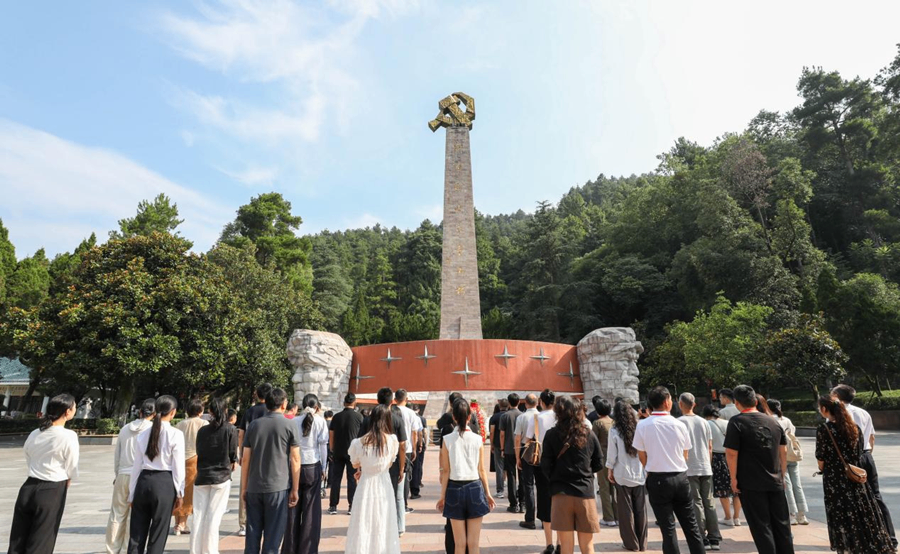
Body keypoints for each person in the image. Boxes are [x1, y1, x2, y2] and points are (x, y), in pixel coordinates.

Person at [816, 395, 894, 554]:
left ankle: (849, 547)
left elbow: (821, 457)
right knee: (861, 510)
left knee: (841, 513)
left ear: (824, 409)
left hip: (835, 478)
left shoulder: (824, 429)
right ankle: (869, 544)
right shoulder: (855, 428)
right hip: (855, 476)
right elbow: (859, 452)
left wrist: (824, 467)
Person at [632, 386, 705, 554]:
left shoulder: (643, 425)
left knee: (668, 528)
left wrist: (653, 465)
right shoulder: (679, 424)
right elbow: (685, 453)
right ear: (666, 402)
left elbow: (641, 455)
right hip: (680, 477)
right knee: (691, 526)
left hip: (657, 479)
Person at [724, 385, 794, 554]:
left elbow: (732, 454)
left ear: (736, 403)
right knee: (782, 524)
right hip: (775, 480)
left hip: (750, 483)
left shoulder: (737, 422)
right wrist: (782, 475)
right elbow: (783, 451)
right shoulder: (773, 421)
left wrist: (733, 479)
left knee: (761, 526)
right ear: (755, 401)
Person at [8, 393, 79, 554]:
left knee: (18, 540)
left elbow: (28, 454)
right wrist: (69, 478)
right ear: (67, 411)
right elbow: (72, 464)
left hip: (28, 487)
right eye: (74, 407)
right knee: (41, 541)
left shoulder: (35, 432)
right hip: (52, 489)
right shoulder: (68, 436)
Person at [832, 384, 898, 549]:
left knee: (851, 499)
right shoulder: (863, 412)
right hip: (866, 456)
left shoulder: (836, 414)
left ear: (837, 397)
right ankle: (890, 538)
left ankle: (858, 539)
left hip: (848, 460)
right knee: (875, 496)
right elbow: (872, 437)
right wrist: (866, 457)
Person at [241, 387, 301, 554]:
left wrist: (244, 488)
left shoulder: (254, 425)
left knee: (252, 537)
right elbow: (295, 459)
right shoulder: (289, 425)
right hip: (278, 487)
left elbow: (246, 458)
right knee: (273, 540)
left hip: (254, 486)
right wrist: (295, 489)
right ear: (283, 405)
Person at [541, 395, 602, 554]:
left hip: (561, 493)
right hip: (585, 493)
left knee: (566, 547)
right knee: (588, 546)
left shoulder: (551, 435)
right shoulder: (588, 434)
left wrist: (556, 477)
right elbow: (598, 463)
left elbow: (545, 465)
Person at [128, 395, 185, 554]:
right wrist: (180, 492)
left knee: (136, 534)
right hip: (164, 483)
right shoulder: (175, 434)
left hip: (143, 481)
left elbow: (136, 466)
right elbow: (178, 466)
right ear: (173, 412)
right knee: (158, 534)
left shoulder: (143, 434)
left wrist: (132, 493)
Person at [437, 398, 495, 554]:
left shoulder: (447, 439)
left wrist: (442, 496)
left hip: (454, 488)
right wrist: (488, 494)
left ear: (454, 417)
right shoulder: (478, 439)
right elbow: (481, 470)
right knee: (474, 544)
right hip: (475, 488)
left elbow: (446, 471)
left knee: (460, 544)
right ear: (469, 417)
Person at [344, 404, 401, 554]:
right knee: (383, 520)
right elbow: (389, 463)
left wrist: (364, 469)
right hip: (384, 483)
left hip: (366, 484)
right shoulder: (392, 441)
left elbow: (355, 463)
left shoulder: (358, 442)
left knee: (364, 522)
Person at [106, 398, 155, 554]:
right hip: (141, 476)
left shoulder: (125, 428)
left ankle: (112, 548)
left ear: (140, 411)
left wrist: (117, 474)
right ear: (154, 414)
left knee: (117, 513)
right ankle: (129, 547)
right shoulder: (153, 429)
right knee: (136, 515)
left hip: (122, 474)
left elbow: (117, 455)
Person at [283, 393, 329, 554]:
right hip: (312, 466)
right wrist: (324, 468)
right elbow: (323, 446)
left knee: (292, 508)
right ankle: (308, 550)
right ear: (317, 407)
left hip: (294, 466)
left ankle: (289, 548)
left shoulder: (294, 421)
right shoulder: (320, 421)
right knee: (311, 511)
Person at [191, 397, 238, 554]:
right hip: (222, 476)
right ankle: (210, 550)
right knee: (213, 517)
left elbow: (199, 451)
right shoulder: (230, 429)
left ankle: (195, 550)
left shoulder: (202, 431)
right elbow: (233, 454)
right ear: (225, 410)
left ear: (210, 411)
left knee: (198, 516)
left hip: (203, 475)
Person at [359, 387, 407, 535]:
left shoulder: (368, 420)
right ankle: (387, 528)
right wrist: (401, 468)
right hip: (390, 465)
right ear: (392, 401)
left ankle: (372, 528)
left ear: (377, 400)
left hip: (369, 465)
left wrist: (360, 467)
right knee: (389, 497)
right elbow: (403, 446)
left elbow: (360, 443)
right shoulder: (397, 419)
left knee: (370, 500)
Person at [677, 393, 721, 551]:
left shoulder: (679, 423)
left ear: (680, 404)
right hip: (705, 466)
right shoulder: (704, 422)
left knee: (696, 502)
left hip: (689, 468)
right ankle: (714, 537)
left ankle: (701, 537)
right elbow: (710, 447)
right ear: (694, 404)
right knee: (709, 502)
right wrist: (707, 464)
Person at [607, 401, 648, 552]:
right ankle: (642, 543)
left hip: (621, 473)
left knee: (625, 511)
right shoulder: (641, 427)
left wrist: (609, 469)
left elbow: (612, 454)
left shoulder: (614, 430)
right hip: (640, 473)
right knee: (640, 510)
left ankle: (631, 543)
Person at [523, 389, 560, 554]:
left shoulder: (537, 418)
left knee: (545, 501)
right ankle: (561, 543)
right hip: (560, 463)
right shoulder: (560, 417)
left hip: (542, 462)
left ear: (541, 402)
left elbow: (527, 439)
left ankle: (549, 544)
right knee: (560, 501)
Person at [237, 383, 274, 537]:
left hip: (250, 452)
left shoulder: (250, 411)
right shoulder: (272, 412)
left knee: (245, 486)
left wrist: (240, 453)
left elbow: (241, 433)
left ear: (257, 395)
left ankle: (243, 524)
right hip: (269, 454)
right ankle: (266, 521)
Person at [768, 399, 809, 526]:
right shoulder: (787, 420)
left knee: (787, 485)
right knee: (797, 484)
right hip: (792, 455)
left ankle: (792, 515)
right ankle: (802, 514)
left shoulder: (770, 420)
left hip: (780, 456)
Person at [702, 405, 741, 527]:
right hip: (733, 456)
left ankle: (728, 517)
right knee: (736, 489)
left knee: (722, 489)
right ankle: (737, 517)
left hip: (717, 458)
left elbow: (707, 444)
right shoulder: (728, 423)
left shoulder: (707, 424)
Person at [175, 399, 209, 535]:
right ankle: (182, 524)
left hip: (178, 460)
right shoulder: (204, 423)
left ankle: (178, 523)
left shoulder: (179, 424)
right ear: (200, 411)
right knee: (188, 493)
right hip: (194, 459)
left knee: (178, 490)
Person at [328, 393, 363, 515]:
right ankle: (351, 505)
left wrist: (331, 449)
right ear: (354, 402)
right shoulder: (359, 417)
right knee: (352, 479)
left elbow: (331, 434)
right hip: (353, 453)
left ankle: (333, 506)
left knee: (335, 479)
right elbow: (361, 437)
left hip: (338, 451)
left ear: (344, 403)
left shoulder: (337, 417)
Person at [396, 389, 423, 521]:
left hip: (392, 448)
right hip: (406, 448)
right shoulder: (411, 413)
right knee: (405, 476)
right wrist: (414, 447)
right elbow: (414, 432)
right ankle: (404, 504)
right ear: (406, 399)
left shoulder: (390, 411)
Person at [514, 393, 539, 529]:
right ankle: (545, 518)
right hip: (541, 449)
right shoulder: (543, 416)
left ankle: (530, 518)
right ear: (537, 403)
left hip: (526, 449)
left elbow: (518, 438)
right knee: (542, 485)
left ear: (526, 403)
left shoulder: (521, 417)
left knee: (528, 485)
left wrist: (518, 456)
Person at [591, 397, 617, 527]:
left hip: (603, 458)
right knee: (615, 488)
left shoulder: (597, 423)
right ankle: (617, 515)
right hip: (615, 459)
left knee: (604, 488)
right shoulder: (614, 422)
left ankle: (608, 517)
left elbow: (593, 441)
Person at [499, 393, 522, 515]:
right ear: (518, 402)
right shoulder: (522, 416)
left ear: (509, 402)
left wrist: (502, 449)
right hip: (521, 449)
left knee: (511, 476)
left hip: (508, 449)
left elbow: (502, 434)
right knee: (522, 475)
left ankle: (513, 503)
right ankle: (522, 502)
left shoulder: (505, 416)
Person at [488, 399, 508, 500]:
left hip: (497, 445)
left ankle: (500, 491)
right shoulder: (510, 415)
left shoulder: (494, 417)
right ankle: (512, 489)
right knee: (510, 468)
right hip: (510, 445)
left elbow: (492, 432)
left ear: (499, 405)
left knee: (499, 467)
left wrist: (491, 444)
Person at [410, 404, 427, 500]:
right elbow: (420, 432)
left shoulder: (397, 414)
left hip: (402, 445)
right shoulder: (419, 418)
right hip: (413, 444)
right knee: (416, 467)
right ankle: (415, 490)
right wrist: (420, 444)